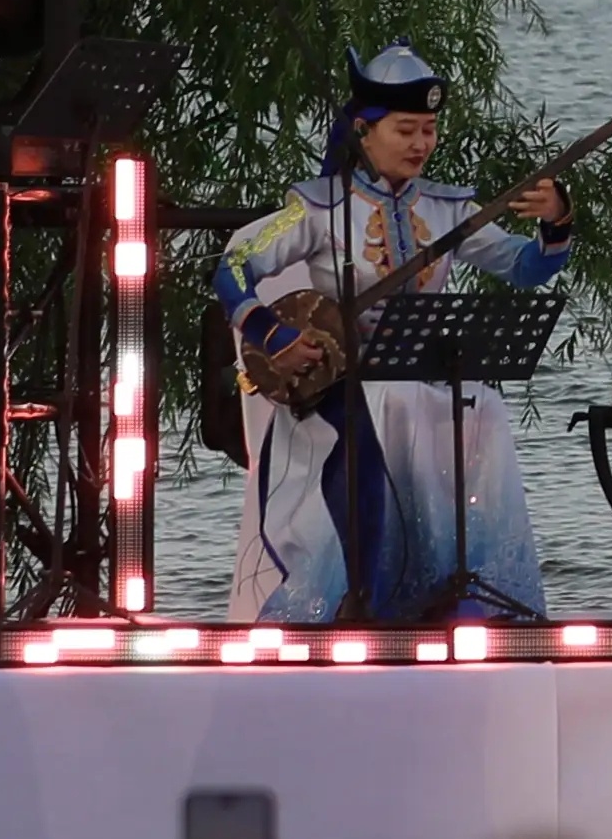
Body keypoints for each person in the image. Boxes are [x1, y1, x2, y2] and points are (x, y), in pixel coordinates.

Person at [215, 47, 574, 631]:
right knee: (392, 403)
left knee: (483, 408)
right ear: (364, 131)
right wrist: (272, 334)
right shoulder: (316, 206)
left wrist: (556, 220)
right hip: (345, 382)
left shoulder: (449, 207)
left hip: (425, 377)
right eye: (405, 130)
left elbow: (525, 267)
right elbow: (233, 267)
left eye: (429, 130)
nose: (420, 143)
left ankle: (455, 585)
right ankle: (367, 594)